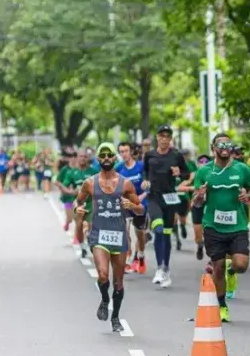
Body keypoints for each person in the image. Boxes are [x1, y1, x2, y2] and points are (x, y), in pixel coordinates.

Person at [74, 143, 145, 332]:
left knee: (118, 282)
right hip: (98, 234)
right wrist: (77, 209)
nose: (106, 158)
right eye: (102, 155)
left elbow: (140, 208)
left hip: (119, 235)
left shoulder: (125, 183)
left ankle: (115, 317)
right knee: (103, 274)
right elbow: (78, 201)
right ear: (98, 159)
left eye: (109, 155)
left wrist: (131, 205)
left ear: (115, 158)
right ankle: (105, 300)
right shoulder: (89, 183)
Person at [193, 136, 250, 322]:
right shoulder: (204, 171)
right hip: (213, 226)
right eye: (220, 144)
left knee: (241, 265)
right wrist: (200, 195)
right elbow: (196, 202)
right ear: (213, 147)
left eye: (228, 144)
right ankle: (222, 305)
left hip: (237, 225)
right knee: (218, 267)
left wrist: (248, 195)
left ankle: (232, 271)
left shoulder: (242, 169)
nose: (224, 147)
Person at [142, 124, 189, 288]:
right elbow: (144, 172)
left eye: (167, 136)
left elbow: (187, 173)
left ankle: (165, 268)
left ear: (170, 139)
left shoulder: (176, 155)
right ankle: (159, 268)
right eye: (161, 135)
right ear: (157, 137)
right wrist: (145, 181)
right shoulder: (149, 155)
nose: (164, 139)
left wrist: (179, 174)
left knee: (167, 234)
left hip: (170, 198)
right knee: (158, 229)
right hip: (154, 197)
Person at [117, 141, 148, 274]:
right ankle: (127, 261)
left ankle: (140, 255)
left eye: (126, 151)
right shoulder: (119, 169)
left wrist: (143, 195)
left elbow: (149, 184)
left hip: (140, 204)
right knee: (126, 232)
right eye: (121, 152)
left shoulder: (141, 167)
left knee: (140, 234)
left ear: (131, 152)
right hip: (126, 205)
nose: (124, 154)